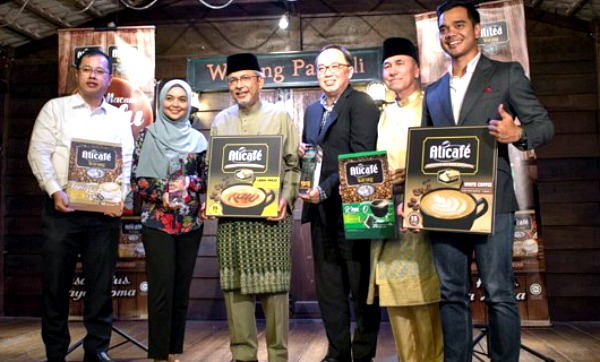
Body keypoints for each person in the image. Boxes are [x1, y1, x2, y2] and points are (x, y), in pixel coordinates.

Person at [422, 1, 554, 361]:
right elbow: (426, 151)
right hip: (443, 205)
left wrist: (518, 132)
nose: (451, 33)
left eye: (459, 25)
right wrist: (413, 198)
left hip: (493, 203)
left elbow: (544, 125)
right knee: (450, 293)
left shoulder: (506, 74)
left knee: (498, 292)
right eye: (444, 28)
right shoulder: (432, 91)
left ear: (477, 29)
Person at [27, 48, 134, 362]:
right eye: (86, 69)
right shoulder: (54, 109)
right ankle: (56, 353)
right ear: (77, 73)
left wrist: (120, 198)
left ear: (108, 78)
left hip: (103, 218)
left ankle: (96, 349)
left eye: (99, 71)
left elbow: (125, 162)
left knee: (101, 288)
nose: (92, 76)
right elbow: (38, 153)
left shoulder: (118, 117)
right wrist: (54, 190)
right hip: (61, 211)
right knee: (55, 286)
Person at [204, 53, 300, 362]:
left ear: (260, 81)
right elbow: (213, 171)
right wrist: (212, 199)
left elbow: (293, 166)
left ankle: (278, 356)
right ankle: (242, 356)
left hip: (272, 218)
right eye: (232, 80)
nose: (239, 86)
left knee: (275, 291)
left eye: (245, 78)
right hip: (232, 221)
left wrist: (287, 197)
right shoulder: (220, 121)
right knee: (236, 289)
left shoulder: (280, 117)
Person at [299, 44, 381, 362]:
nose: (328, 73)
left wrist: (326, 189)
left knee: (362, 291)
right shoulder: (311, 110)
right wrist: (306, 185)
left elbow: (362, 158)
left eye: (335, 66)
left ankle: (362, 354)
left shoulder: (362, 104)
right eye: (322, 68)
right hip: (320, 212)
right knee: (329, 289)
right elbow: (312, 158)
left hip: (357, 209)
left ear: (350, 70)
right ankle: (337, 353)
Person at [366, 37, 444, 362]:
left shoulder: (432, 106)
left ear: (415, 67)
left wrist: (410, 178)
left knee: (424, 298)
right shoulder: (382, 113)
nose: (392, 70)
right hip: (386, 212)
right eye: (387, 65)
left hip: (421, 211)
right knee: (395, 299)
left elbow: (441, 157)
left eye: (399, 63)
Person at [131, 79, 208, 362]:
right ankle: (159, 353)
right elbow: (137, 181)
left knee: (181, 289)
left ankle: (174, 350)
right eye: (170, 98)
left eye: (182, 99)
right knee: (161, 289)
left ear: (189, 103)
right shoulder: (147, 135)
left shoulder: (199, 141)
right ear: (161, 101)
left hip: (190, 223)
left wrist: (191, 181)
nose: (175, 104)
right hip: (157, 222)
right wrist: (159, 194)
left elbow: (208, 180)